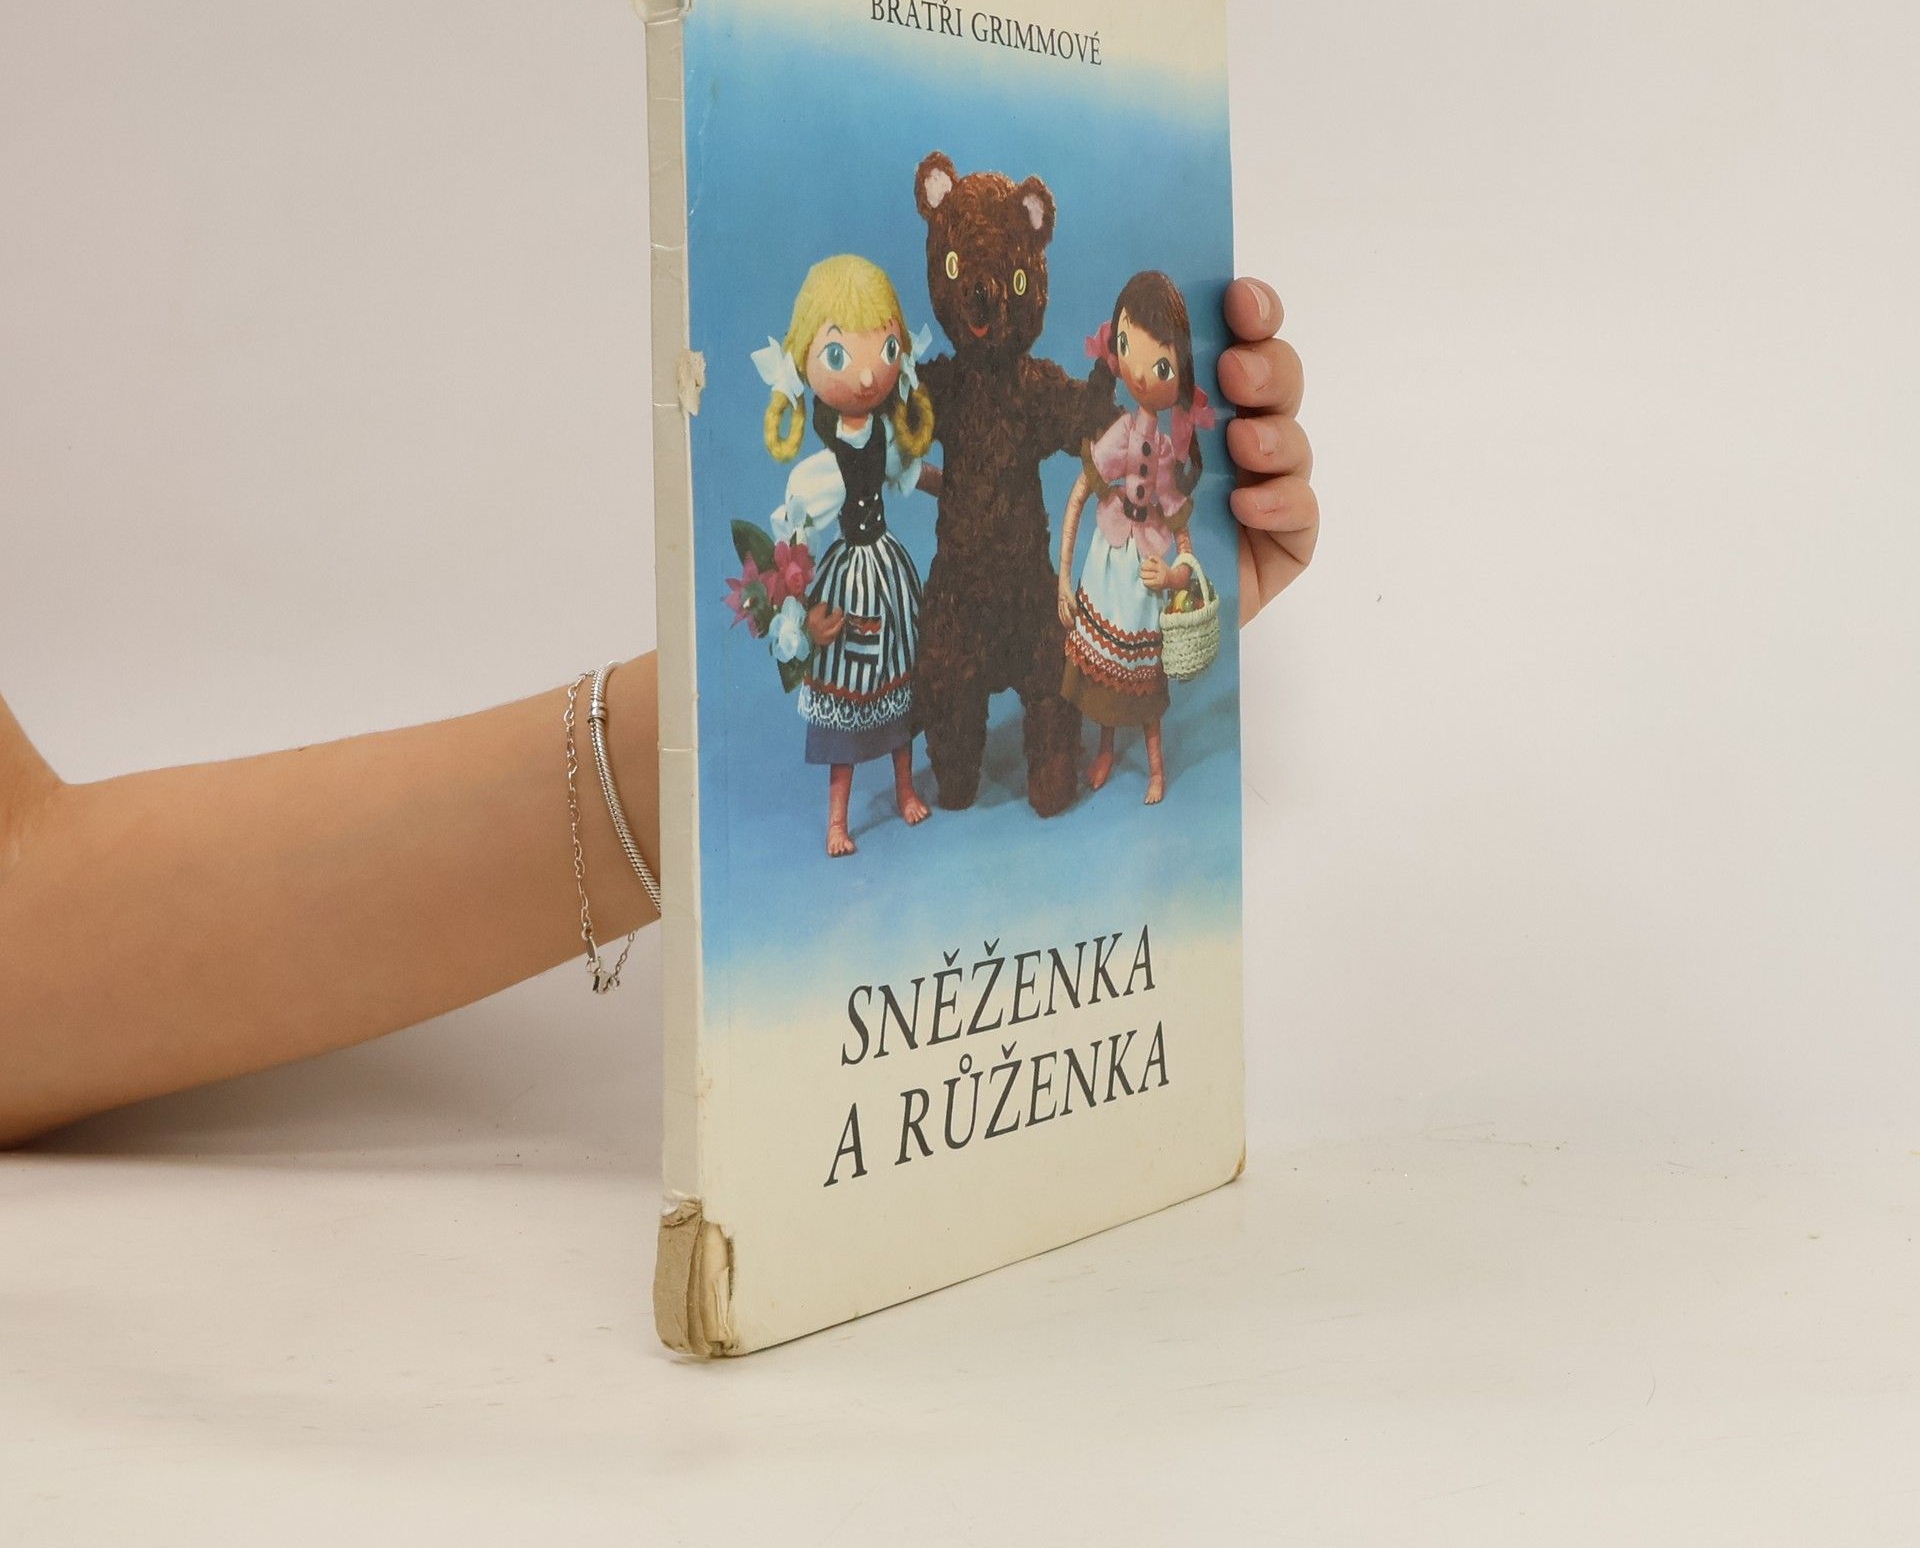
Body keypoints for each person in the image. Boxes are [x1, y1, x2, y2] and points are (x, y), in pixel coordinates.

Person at [0, 278, 1315, 1146]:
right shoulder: (856, 453)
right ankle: (903, 777)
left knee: (930, 705)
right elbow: (34, 935)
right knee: (885, 714)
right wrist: (720, 703)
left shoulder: (1014, 408)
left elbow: (35, 922)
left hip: (992, 593)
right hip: (885, 604)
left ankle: (926, 773)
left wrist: (1152, 560)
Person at [752, 254, 940, 857]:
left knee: (899, 684)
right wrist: (801, 612)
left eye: (884, 350)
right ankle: (837, 819)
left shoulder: (884, 437)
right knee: (845, 699)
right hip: (848, 578)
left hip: (888, 570)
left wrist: (953, 487)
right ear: (804, 361)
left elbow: (908, 472)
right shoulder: (822, 469)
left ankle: (905, 788)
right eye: (838, 355)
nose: (864, 376)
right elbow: (792, 543)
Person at [1058, 269, 1212, 805]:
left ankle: (1155, 766)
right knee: (1105, 676)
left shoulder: (1166, 454)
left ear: (1180, 373)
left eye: (1161, 365)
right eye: (1128, 347)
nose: (1142, 374)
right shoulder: (1119, 434)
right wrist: (1063, 579)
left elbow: (1185, 545)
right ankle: (1105, 748)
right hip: (1108, 561)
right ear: (1115, 350)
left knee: (1145, 681)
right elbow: (1079, 495)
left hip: (1145, 571)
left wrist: (1172, 577)